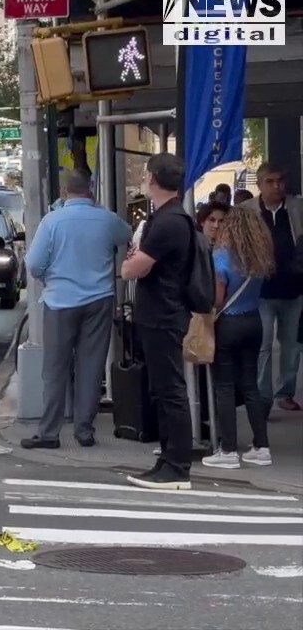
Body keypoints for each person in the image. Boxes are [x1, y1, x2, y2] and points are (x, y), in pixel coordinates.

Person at [21, 170, 132, 449]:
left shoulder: (52, 221)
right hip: (99, 300)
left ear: (63, 191)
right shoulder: (106, 219)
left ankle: (49, 433)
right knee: (91, 367)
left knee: (55, 369)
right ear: (91, 190)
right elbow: (128, 235)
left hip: (59, 301)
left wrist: (48, 277)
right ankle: (84, 431)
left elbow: (34, 264)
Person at [122, 153, 197, 491]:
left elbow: (133, 268)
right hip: (159, 313)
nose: (143, 179)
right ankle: (168, 459)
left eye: (145, 174)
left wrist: (129, 264)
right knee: (162, 389)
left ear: (153, 179)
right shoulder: (168, 217)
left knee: (170, 391)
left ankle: (177, 466)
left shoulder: (169, 221)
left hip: (164, 314)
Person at [203, 206, 275, 469]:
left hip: (229, 323)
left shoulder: (221, 256)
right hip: (254, 321)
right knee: (250, 385)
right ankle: (261, 446)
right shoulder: (258, 257)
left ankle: (229, 450)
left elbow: (219, 298)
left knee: (224, 387)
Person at [238, 162, 303, 412]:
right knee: (263, 345)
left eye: (280, 181)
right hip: (260, 291)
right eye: (271, 181)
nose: (277, 186)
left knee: (291, 346)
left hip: (294, 288)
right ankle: (262, 398)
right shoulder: (247, 211)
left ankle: (284, 393)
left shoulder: (297, 207)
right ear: (259, 185)